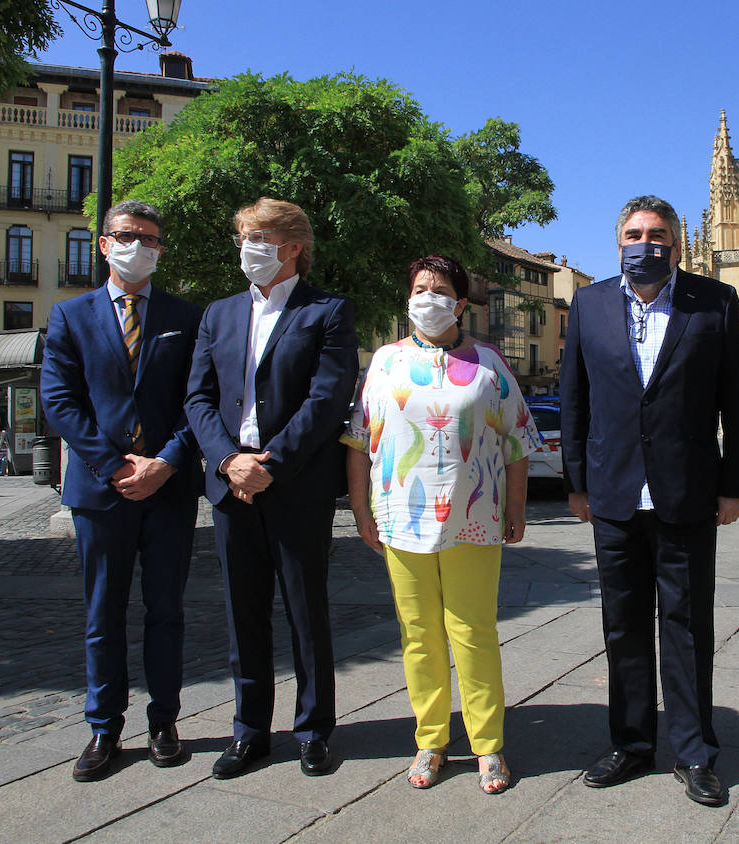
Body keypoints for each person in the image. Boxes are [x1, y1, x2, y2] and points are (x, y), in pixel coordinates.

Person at [559, 195, 739, 807]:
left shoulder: (715, 301)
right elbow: (573, 399)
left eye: (659, 234)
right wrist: (576, 482)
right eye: (636, 233)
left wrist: (734, 484)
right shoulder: (590, 304)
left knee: (689, 626)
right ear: (619, 241)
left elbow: (734, 401)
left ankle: (695, 750)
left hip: (688, 493)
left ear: (675, 241)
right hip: (613, 494)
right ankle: (631, 743)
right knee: (623, 627)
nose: (647, 243)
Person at [344, 255, 541, 794]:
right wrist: (361, 511)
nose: (427, 297)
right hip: (400, 520)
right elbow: (361, 442)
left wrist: (517, 508)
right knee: (419, 636)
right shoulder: (383, 362)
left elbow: (518, 441)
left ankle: (488, 745)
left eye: (439, 289)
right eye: (419, 288)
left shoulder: (487, 364)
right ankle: (430, 740)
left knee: (473, 634)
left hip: (474, 518)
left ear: (459, 302)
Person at [185, 197, 358, 779]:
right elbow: (199, 397)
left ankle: (313, 729)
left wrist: (272, 464)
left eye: (256, 236)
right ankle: (249, 730)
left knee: (306, 612)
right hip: (231, 486)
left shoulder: (327, 312)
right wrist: (229, 460)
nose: (246, 247)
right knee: (243, 613)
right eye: (242, 236)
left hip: (295, 484)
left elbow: (327, 399)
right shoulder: (219, 314)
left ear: (291, 247)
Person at [40, 200, 202, 781]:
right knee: (103, 612)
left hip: (168, 488)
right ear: (104, 244)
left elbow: (199, 402)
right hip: (99, 491)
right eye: (131, 237)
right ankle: (104, 727)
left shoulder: (187, 316)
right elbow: (60, 400)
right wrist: (113, 465)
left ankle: (165, 722)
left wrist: (164, 463)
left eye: (153, 240)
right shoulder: (70, 316)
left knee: (166, 611)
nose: (143, 247)